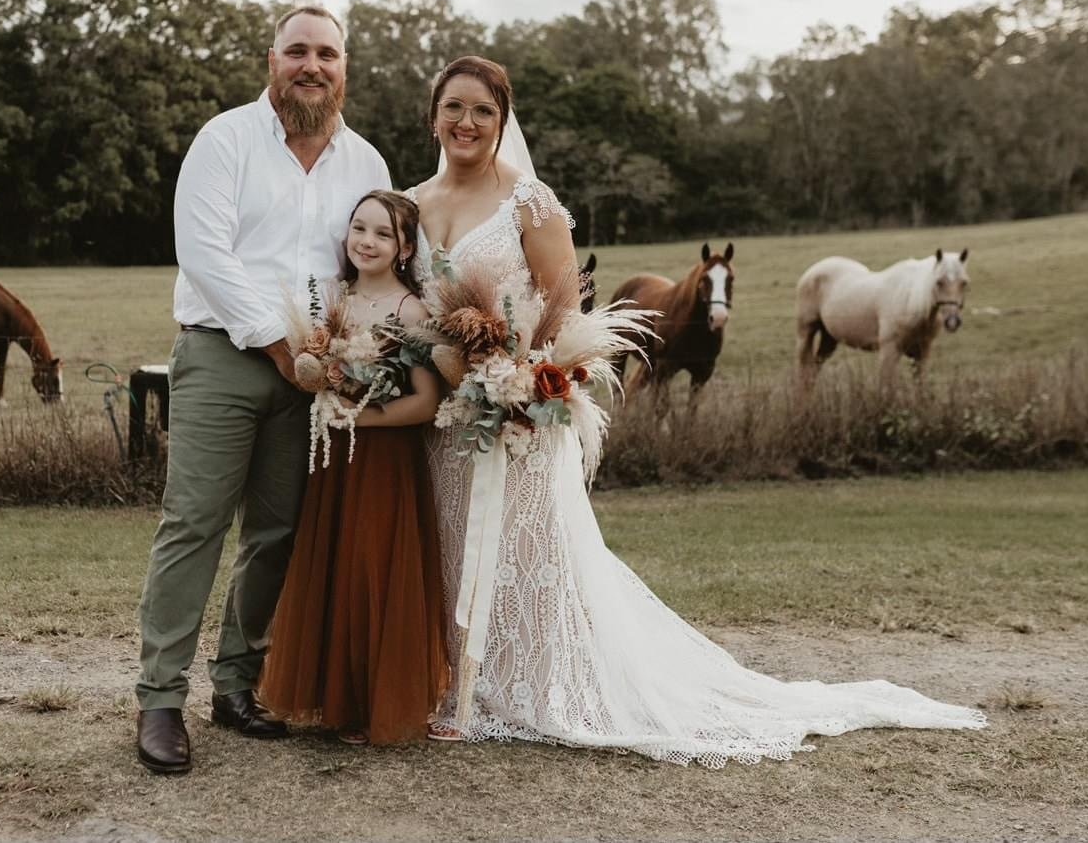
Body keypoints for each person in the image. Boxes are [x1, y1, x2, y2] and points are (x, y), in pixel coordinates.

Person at [407, 55, 986, 765]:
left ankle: (518, 686)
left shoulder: (530, 203)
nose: (467, 122)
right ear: (432, 113)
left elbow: (566, 317)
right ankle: (447, 681)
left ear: (503, 120)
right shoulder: (411, 202)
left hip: (514, 418)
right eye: (454, 107)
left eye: (483, 110)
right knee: (446, 546)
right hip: (435, 422)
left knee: (526, 553)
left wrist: (523, 382)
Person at [133, 8, 391, 775]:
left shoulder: (366, 161)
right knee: (195, 521)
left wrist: (354, 352)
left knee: (278, 530)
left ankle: (237, 684)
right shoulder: (225, 140)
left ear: (346, 66)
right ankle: (159, 697)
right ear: (271, 60)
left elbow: (373, 260)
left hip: (319, 370)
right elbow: (205, 253)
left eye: (328, 54)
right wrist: (282, 347)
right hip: (223, 354)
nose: (313, 65)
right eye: (298, 52)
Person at [258, 190, 449, 745]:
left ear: (405, 247)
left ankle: (376, 704)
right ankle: (333, 698)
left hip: (383, 460)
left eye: (383, 234)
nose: (367, 241)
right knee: (335, 564)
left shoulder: (409, 311)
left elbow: (425, 403)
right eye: (359, 229)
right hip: (334, 461)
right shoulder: (332, 301)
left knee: (374, 566)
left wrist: (358, 420)